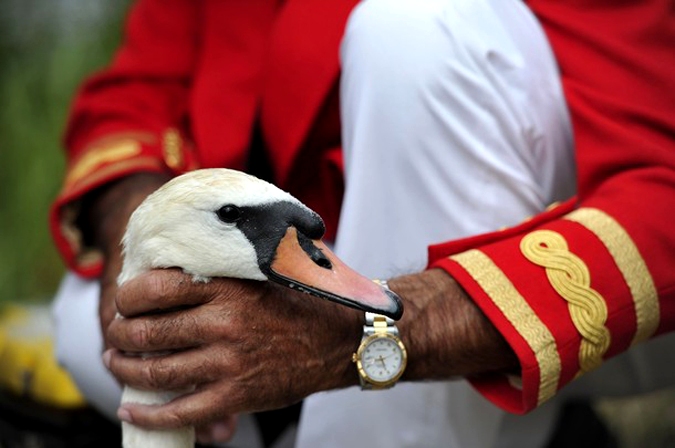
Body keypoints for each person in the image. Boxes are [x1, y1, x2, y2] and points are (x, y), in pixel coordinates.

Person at [49, 0, 674, 446]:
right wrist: (141, 241)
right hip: (317, 242)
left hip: (541, 276)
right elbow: (135, 92)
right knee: (87, 333)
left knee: (412, 32)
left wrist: (369, 332)